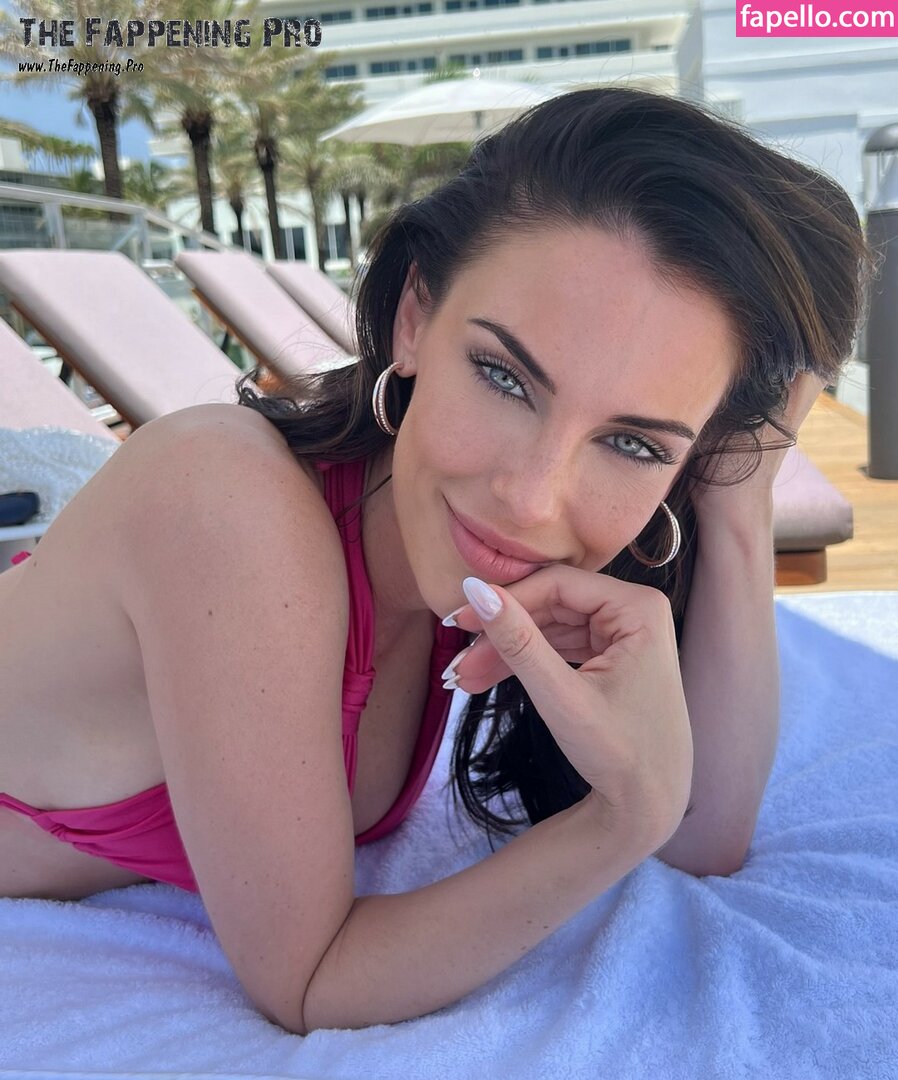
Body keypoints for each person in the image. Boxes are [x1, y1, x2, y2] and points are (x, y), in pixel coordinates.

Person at [0, 86, 874, 1034]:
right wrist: (621, 818)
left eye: (634, 443)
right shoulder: (223, 506)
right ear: (415, 314)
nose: (532, 500)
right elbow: (309, 981)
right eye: (504, 377)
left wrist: (739, 501)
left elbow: (704, 838)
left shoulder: (478, 565)